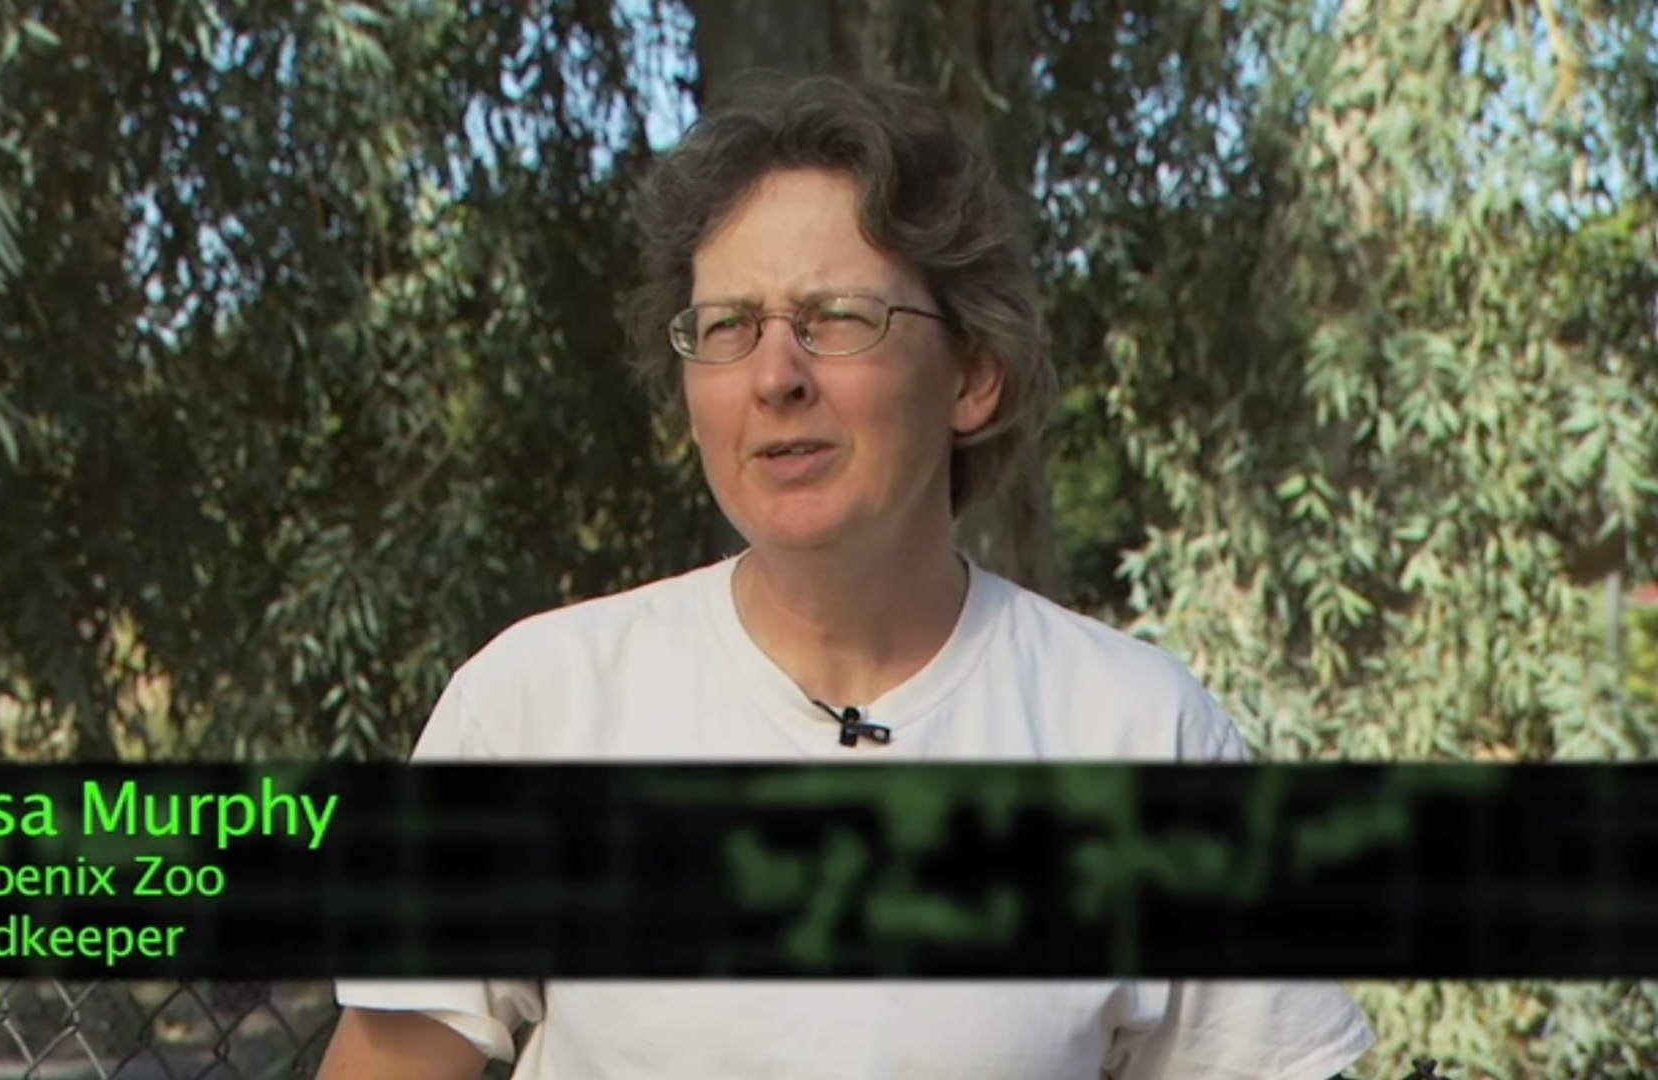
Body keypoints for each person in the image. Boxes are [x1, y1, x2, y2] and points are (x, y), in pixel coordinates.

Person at [321, 73, 1377, 1080]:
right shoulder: (537, 705)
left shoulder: (1144, 739)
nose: (776, 376)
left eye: (837, 319)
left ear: (972, 374)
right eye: (729, 328)